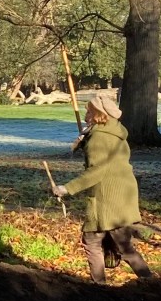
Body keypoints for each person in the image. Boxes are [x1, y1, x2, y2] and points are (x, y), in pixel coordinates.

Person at [52, 94, 153, 285]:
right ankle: (151, 281)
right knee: (124, 245)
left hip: (107, 198)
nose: (85, 115)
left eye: (89, 111)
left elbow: (97, 171)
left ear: (99, 114)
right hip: (122, 194)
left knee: (92, 241)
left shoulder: (99, 137)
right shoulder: (114, 132)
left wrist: (67, 188)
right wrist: (85, 141)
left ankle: (100, 286)